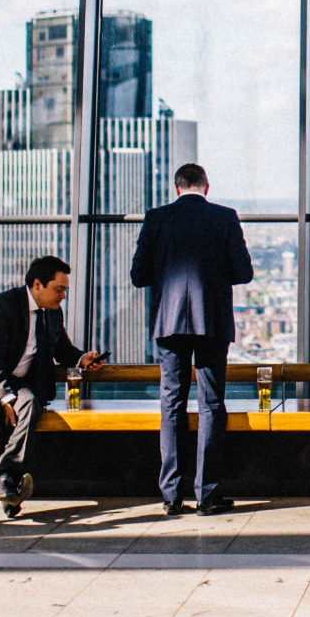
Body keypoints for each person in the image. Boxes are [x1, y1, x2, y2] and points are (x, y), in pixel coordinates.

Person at [130, 163, 253, 517]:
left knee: (171, 403)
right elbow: (243, 272)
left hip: (169, 323)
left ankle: (170, 495)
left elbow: (139, 276)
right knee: (211, 404)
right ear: (207, 187)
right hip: (211, 320)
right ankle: (207, 495)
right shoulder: (225, 217)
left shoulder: (156, 218)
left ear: (176, 188)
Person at [0, 255, 104, 517]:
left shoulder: (52, 313)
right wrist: (6, 398)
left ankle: (6, 480)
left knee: (29, 402)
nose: (62, 296)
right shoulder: (1, 306)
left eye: (64, 290)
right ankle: (5, 484)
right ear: (37, 284)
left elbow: (61, 348)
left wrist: (81, 358)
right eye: (59, 289)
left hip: (10, 380)